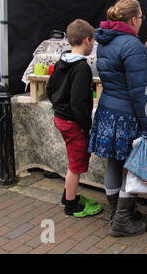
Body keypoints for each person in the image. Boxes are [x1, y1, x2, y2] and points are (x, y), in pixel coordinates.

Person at [88, 0, 147, 237]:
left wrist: (143, 53)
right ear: (133, 19)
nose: (141, 21)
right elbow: (141, 92)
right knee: (134, 166)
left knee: (114, 163)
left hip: (107, 109)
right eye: (141, 17)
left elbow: (118, 72)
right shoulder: (131, 45)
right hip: (127, 115)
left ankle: (116, 212)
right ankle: (121, 222)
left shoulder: (106, 41)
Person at [46, 19, 103, 218]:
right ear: (87, 40)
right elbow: (79, 102)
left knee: (73, 158)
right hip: (73, 122)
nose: (93, 45)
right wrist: (85, 126)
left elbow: (49, 88)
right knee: (76, 165)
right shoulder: (82, 68)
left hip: (61, 118)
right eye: (93, 41)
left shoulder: (61, 60)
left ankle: (67, 195)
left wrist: (58, 105)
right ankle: (70, 204)